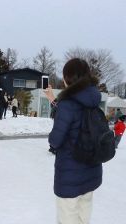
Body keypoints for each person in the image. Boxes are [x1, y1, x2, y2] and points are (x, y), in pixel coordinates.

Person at [44, 58, 102, 224]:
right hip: (91, 172)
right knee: (83, 217)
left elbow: (55, 141)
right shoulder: (93, 99)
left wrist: (52, 135)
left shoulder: (67, 104)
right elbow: (77, 117)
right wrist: (53, 100)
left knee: (67, 218)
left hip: (71, 175)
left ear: (66, 78)